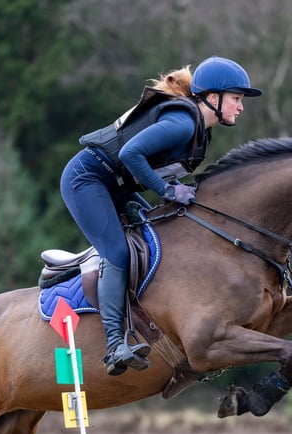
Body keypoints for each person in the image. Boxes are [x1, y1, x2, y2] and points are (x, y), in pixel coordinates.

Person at [60, 56, 262, 376]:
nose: (240, 107)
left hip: (117, 184)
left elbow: (151, 165)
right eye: (236, 99)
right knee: (118, 252)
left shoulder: (198, 131)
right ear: (213, 98)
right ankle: (114, 345)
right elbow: (130, 154)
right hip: (88, 180)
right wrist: (168, 192)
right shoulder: (183, 123)